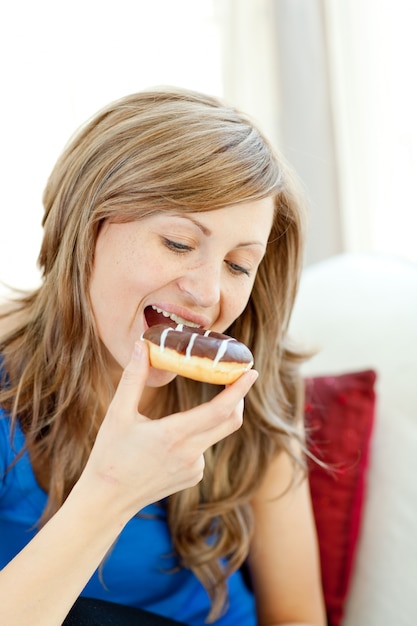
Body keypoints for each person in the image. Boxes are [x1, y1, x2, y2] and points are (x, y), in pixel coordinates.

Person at [0, 87, 326, 626]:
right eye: (178, 243)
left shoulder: (253, 405)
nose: (205, 292)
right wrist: (113, 490)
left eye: (239, 266)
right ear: (86, 228)